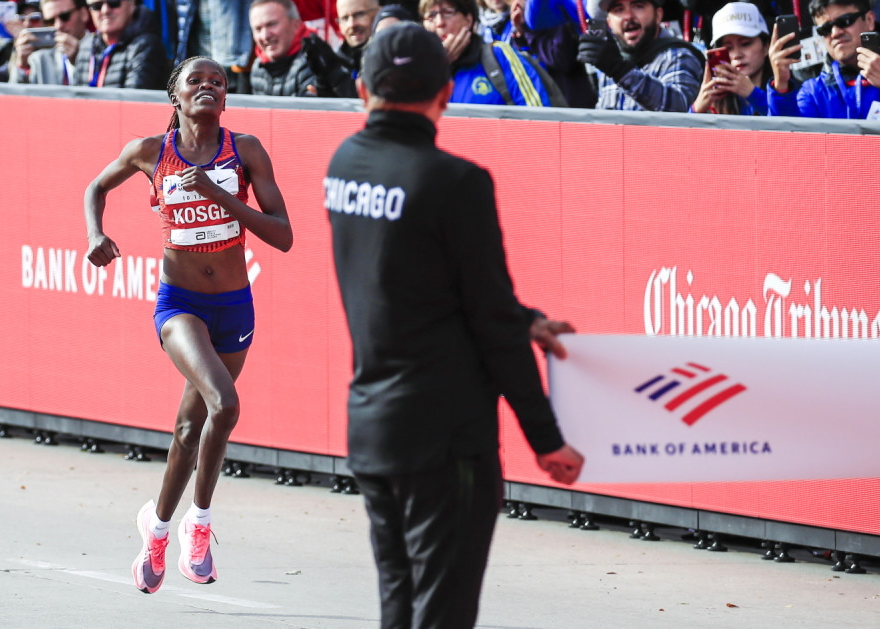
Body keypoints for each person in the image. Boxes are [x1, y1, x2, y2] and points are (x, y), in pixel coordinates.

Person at [326, 22, 584, 628]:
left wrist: (528, 322)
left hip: (373, 431)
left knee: (400, 606)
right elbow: (487, 318)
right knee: (442, 615)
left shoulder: (344, 163)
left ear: (363, 89)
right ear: (446, 93)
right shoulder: (456, 182)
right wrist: (545, 439)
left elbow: (421, 284)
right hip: (445, 442)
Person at [84, 56, 293, 594]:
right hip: (179, 304)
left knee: (186, 428)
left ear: (226, 98)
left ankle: (156, 529)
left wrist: (222, 197)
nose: (207, 87)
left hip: (235, 305)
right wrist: (94, 235)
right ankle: (197, 525)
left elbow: (284, 234)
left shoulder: (244, 150)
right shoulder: (150, 152)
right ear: (173, 95)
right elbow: (95, 189)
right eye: (195, 81)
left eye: (217, 82)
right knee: (225, 405)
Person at [768, 0, 880, 117]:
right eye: (825, 29)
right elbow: (786, 139)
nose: (835, 33)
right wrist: (781, 85)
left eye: (844, 21)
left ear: (869, 20)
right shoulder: (814, 91)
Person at [421, 0, 567, 105]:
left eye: (447, 12)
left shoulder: (498, 55)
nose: (439, 22)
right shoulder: (420, 69)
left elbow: (537, 117)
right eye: (431, 15)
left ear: (469, 19)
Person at [576, 0, 705, 111]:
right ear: (609, 23)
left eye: (638, 6)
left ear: (658, 15)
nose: (628, 16)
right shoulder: (610, 60)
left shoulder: (679, 55)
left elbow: (679, 108)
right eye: (618, 9)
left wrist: (620, 71)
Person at [248, 0, 356, 96]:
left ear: (296, 25)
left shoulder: (315, 63)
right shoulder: (258, 68)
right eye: (258, 29)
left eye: (272, 24)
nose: (265, 36)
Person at [691, 2, 773, 114]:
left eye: (745, 44)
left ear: (766, 47)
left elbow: (790, 125)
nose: (737, 54)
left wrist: (753, 94)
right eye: (728, 48)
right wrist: (696, 110)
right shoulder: (715, 101)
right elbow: (680, 132)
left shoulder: (787, 90)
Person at [73, 0, 169, 90]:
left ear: (131, 4)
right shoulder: (86, 45)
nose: (105, 10)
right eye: (96, 6)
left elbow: (133, 101)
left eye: (114, 2)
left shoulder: (147, 46)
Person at [10, 0, 90, 84]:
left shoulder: (100, 48)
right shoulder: (39, 59)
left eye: (65, 16)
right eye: (50, 21)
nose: (58, 26)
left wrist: (79, 62)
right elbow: (14, 95)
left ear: (84, 14)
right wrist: (22, 66)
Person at [335, 0, 378, 72]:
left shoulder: (397, 58)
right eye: (345, 18)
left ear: (377, 13)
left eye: (359, 14)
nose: (351, 24)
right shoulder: (333, 68)